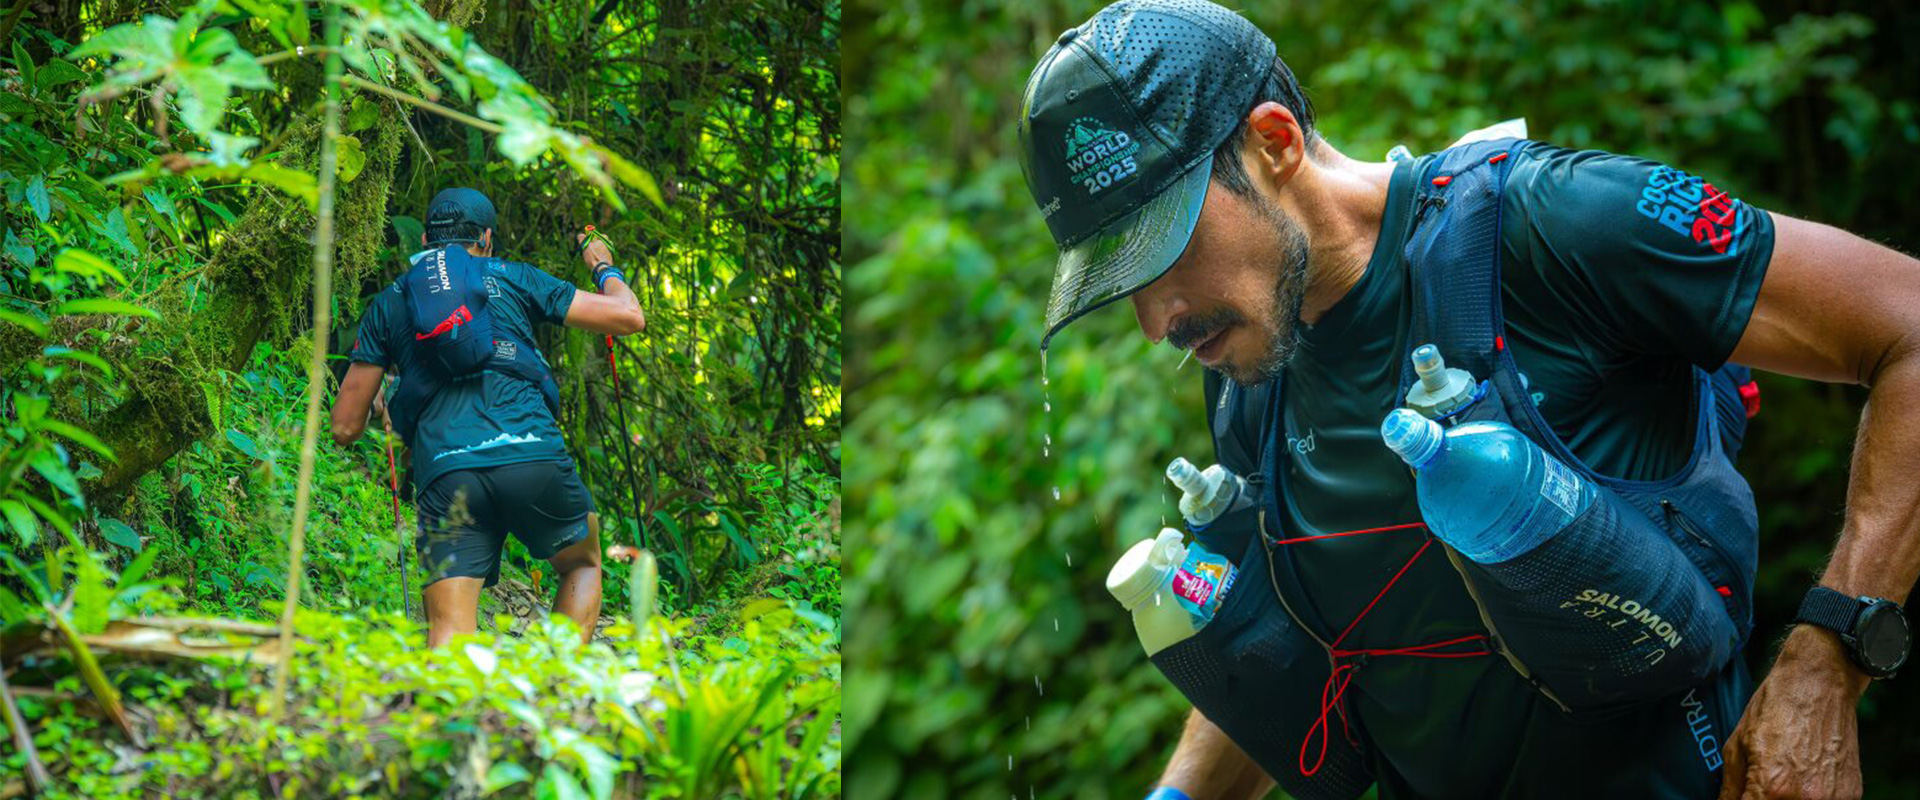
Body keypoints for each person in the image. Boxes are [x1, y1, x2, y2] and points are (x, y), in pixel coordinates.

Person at [1019, 2, 1915, 798]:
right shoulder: (1254, 365)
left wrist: (1826, 666)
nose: (1153, 320)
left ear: (1275, 141)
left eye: (1162, 249)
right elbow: (1294, 653)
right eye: (1117, 280)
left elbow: (1906, 325)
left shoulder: (1552, 226)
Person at [329, 187, 646, 648]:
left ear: (425, 241)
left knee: (449, 629)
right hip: (531, 454)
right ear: (486, 239)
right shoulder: (514, 277)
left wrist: (383, 399)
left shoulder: (392, 301)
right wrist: (601, 264)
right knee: (580, 563)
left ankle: (455, 715)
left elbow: (343, 427)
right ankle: (555, 688)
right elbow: (627, 315)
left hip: (447, 471)